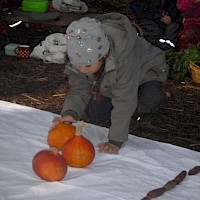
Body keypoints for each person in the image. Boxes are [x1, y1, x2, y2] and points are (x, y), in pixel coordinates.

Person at [56, 13, 169, 154]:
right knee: (96, 115)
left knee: (149, 99)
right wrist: (70, 112)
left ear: (102, 56)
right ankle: (118, 109)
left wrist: (115, 140)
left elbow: (124, 99)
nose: (82, 70)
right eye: (78, 65)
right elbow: (78, 89)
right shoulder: (81, 55)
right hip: (111, 77)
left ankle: (135, 113)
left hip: (145, 72)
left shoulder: (124, 55)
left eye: (87, 65)